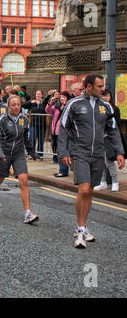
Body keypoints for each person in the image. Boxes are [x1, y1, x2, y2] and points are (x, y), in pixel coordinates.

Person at [58, 74, 125, 249]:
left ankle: (83, 226)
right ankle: (80, 230)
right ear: (88, 87)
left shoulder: (106, 107)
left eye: (103, 86)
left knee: (90, 192)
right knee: (84, 189)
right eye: (99, 86)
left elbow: (113, 130)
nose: (103, 89)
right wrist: (63, 152)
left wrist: (120, 152)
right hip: (79, 152)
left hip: (98, 154)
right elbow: (63, 128)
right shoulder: (74, 104)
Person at [0, 95, 39, 223]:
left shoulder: (24, 119)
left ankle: (28, 213)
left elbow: (26, 138)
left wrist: (32, 152)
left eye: (18, 104)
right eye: (13, 104)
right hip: (5, 154)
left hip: (19, 154)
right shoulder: (3, 120)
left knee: (24, 180)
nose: (16, 107)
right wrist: (0, 154)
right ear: (8, 106)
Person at [94, 89, 122, 192]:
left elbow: (116, 125)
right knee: (100, 162)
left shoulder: (114, 108)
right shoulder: (98, 107)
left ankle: (115, 182)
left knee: (109, 162)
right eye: (103, 95)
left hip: (108, 139)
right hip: (98, 138)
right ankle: (103, 182)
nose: (105, 97)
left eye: (107, 95)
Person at [46, 91, 70, 177]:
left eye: (64, 96)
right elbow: (48, 111)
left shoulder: (68, 106)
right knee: (59, 151)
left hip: (64, 132)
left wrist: (64, 104)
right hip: (55, 131)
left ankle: (63, 171)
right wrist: (50, 102)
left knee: (63, 151)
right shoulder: (56, 106)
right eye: (61, 96)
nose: (61, 98)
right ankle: (62, 170)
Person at [22, 90, 47, 160]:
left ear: (42, 95)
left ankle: (40, 154)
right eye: (36, 94)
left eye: (39, 94)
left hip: (42, 124)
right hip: (33, 124)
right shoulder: (32, 102)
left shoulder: (44, 102)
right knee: (32, 139)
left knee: (41, 140)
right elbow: (23, 105)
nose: (38, 95)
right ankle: (31, 153)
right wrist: (30, 102)